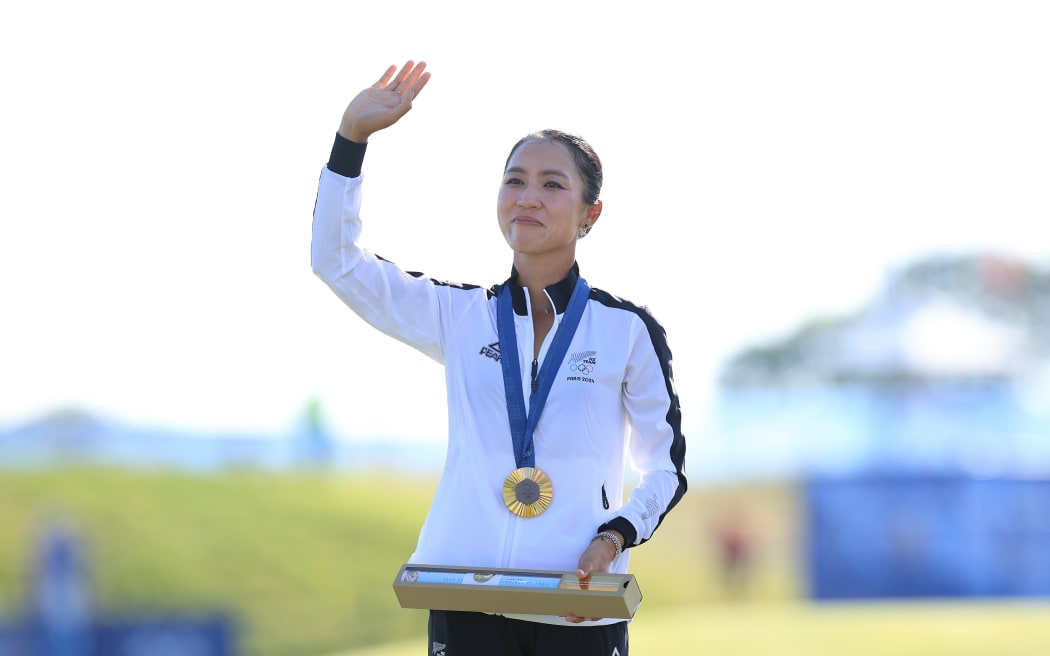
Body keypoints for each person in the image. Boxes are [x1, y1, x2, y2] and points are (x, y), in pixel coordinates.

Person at [311, 60, 688, 656]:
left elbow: (665, 469)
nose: (528, 197)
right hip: (465, 600)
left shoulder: (627, 331)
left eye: (552, 184)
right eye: (514, 180)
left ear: (591, 213)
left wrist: (614, 535)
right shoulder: (458, 316)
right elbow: (337, 263)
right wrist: (350, 141)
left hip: (577, 602)